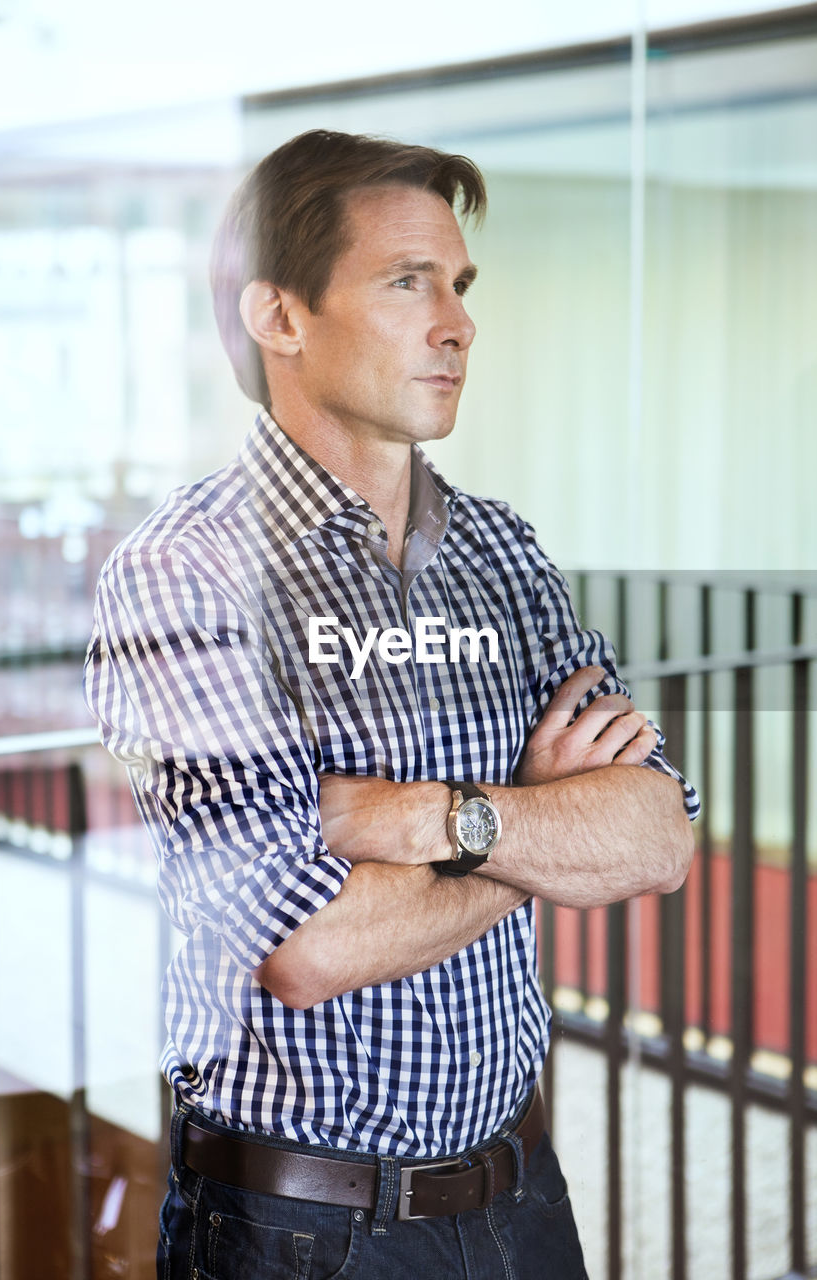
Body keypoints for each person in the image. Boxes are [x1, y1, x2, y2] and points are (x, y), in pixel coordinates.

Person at [84, 129, 698, 1279]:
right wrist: (537, 813)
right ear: (279, 316)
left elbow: (656, 834)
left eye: (458, 285)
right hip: (300, 1228)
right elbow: (306, 943)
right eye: (406, 280)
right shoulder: (186, 573)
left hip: (520, 1193)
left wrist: (430, 819)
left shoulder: (501, 552)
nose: (457, 323)